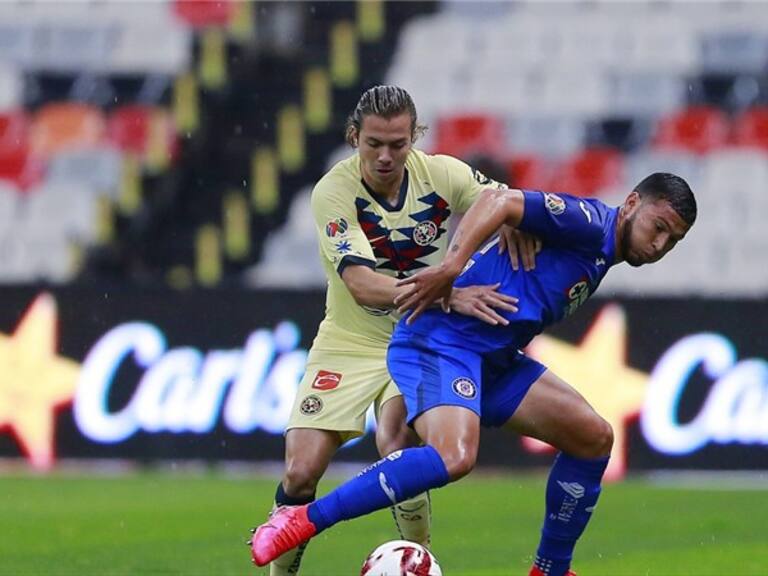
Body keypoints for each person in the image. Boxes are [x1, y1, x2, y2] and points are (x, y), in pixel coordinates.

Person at [249, 172, 697, 576]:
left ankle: (551, 570)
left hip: (492, 356)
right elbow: (497, 201)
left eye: (673, 241)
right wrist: (451, 268)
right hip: (441, 340)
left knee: (593, 438)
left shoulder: (601, 250)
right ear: (632, 203)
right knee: (455, 456)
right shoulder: (591, 222)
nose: (659, 245)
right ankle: (303, 519)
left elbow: (511, 210)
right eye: (658, 227)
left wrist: (518, 222)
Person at [264, 85, 538, 575]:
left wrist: (515, 219)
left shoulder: (442, 174)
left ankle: (420, 559)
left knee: (397, 444)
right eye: (374, 144)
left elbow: (504, 200)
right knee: (300, 471)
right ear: (354, 137)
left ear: (415, 137)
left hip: (417, 338)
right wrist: (447, 294)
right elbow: (362, 285)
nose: (386, 156)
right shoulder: (334, 191)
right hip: (349, 340)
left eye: (398, 144)